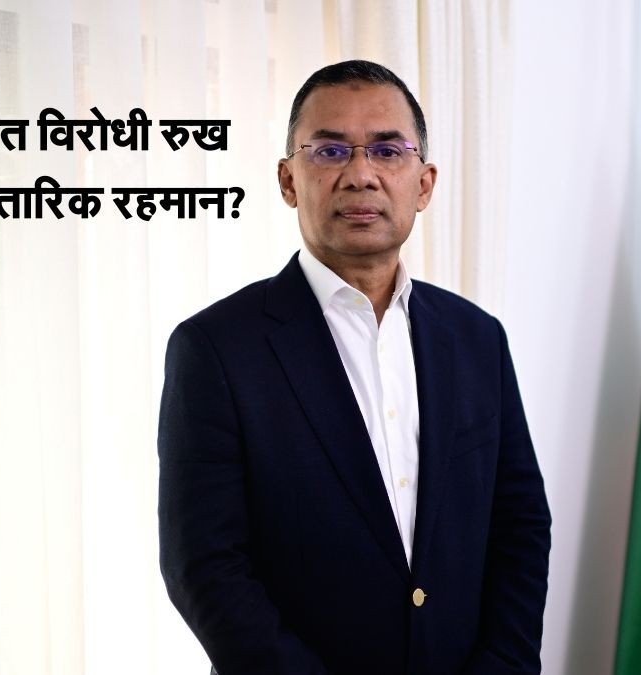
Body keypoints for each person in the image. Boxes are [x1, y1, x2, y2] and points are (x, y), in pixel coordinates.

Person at [158, 60, 550, 675]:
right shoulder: (216, 348)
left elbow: (520, 524)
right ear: (288, 180)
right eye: (330, 150)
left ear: (424, 184)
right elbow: (204, 566)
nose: (361, 174)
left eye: (388, 151)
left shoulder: (477, 339)